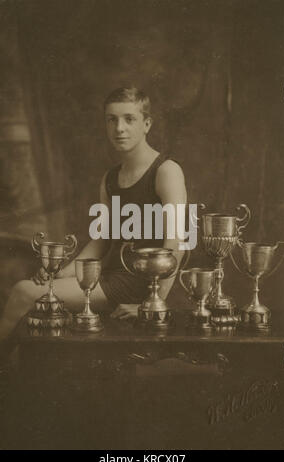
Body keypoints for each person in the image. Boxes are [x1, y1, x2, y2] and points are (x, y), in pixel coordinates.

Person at [0, 87, 187, 342]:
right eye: (112, 119)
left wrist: (153, 306)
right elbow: (101, 241)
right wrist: (60, 272)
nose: (119, 128)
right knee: (30, 296)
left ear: (147, 124)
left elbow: (176, 244)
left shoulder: (166, 171)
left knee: (23, 292)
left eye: (129, 119)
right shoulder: (110, 179)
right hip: (108, 277)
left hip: (141, 285)